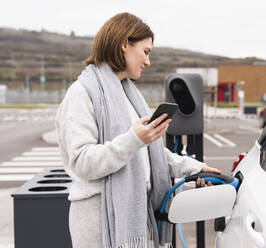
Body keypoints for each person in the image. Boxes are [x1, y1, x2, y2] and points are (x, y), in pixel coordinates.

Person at [55, 12, 220, 248]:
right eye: (146, 51)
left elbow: (147, 153)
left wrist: (197, 169)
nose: (148, 61)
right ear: (124, 45)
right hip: (97, 222)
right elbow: (82, 162)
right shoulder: (82, 93)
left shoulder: (128, 94)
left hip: (135, 216)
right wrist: (134, 139)